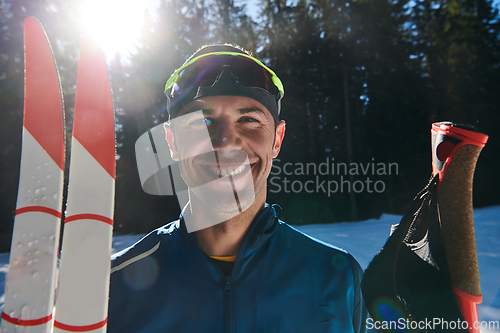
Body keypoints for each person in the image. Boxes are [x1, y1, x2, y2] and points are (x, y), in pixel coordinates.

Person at [107, 44, 367, 333]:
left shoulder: (338, 278)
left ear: (277, 139)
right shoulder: (113, 286)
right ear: (172, 142)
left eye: (249, 119)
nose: (226, 141)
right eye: (202, 121)